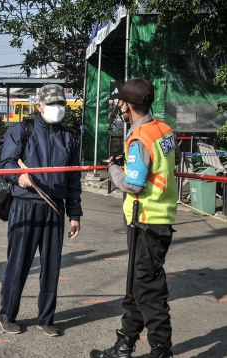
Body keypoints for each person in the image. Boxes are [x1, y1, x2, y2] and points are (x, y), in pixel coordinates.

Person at [90, 78, 177, 358]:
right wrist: (129, 162)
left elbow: (134, 185)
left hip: (147, 222)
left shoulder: (139, 138)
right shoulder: (162, 129)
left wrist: (114, 171)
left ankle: (162, 351)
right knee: (136, 286)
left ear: (127, 105)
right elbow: (154, 167)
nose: (120, 109)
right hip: (157, 219)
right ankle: (125, 344)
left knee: (148, 290)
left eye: (121, 104)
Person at [0, 84, 82, 337]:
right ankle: (7, 314)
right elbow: (6, 164)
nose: (58, 108)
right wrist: (18, 177)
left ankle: (46, 318)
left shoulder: (68, 137)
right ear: (39, 106)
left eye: (61, 104)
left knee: (52, 266)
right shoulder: (21, 131)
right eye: (53, 104)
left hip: (55, 207)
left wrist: (74, 214)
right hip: (25, 205)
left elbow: (73, 179)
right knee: (19, 263)